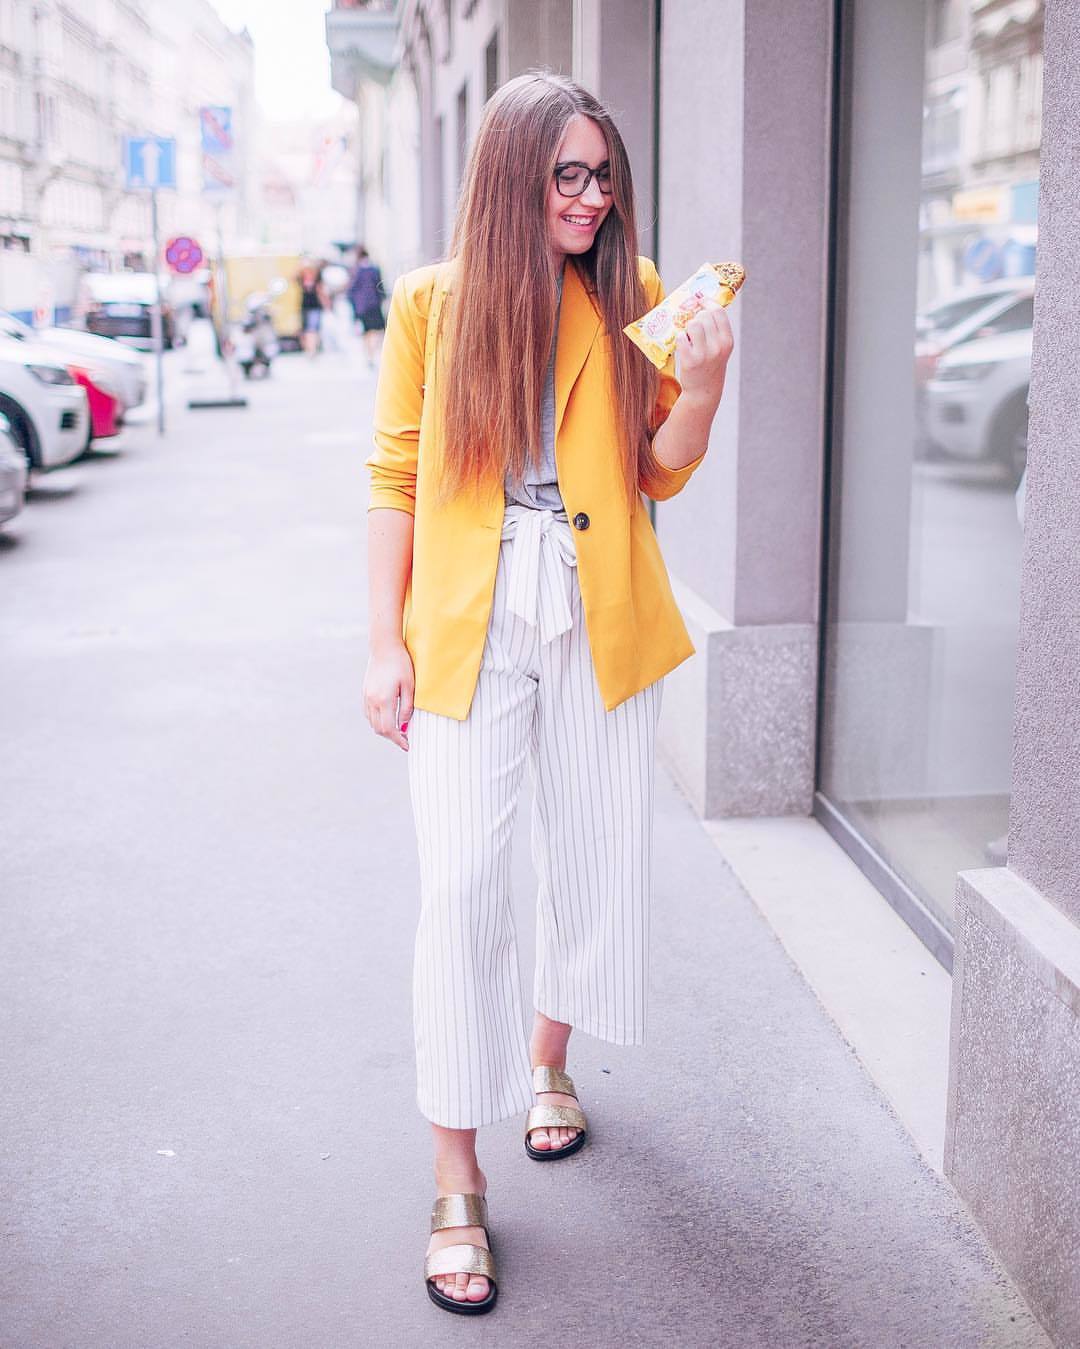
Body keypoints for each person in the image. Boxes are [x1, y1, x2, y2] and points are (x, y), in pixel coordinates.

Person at [363, 72, 734, 1316]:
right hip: (468, 617)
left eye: (603, 175)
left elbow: (656, 470)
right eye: (566, 174)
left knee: (590, 853)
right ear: (512, 176)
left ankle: (548, 1060)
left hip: (597, 608)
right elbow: (396, 477)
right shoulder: (431, 304)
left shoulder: (632, 290)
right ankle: (455, 1177)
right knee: (463, 882)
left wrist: (704, 385)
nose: (590, 198)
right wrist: (382, 642)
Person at [346, 246, 387, 369]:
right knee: (376, 331)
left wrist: (354, 304)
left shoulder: (356, 270)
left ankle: (369, 355)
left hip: (361, 307)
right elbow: (380, 287)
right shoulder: (374, 269)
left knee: (366, 332)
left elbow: (351, 290)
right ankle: (372, 354)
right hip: (374, 304)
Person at [297, 260, 327, 357]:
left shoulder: (317, 276)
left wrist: (325, 303)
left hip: (315, 305)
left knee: (312, 329)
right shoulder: (301, 276)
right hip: (305, 305)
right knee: (307, 329)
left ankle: (312, 349)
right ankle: (310, 348)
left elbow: (320, 290)